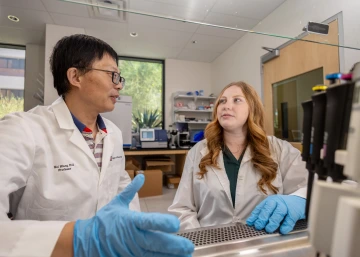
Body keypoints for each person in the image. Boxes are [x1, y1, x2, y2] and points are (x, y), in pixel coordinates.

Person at [0, 34, 194, 257]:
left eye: (119, 77)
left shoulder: (112, 133)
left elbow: (122, 188)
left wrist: (130, 231)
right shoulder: (22, 130)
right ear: (75, 76)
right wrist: (77, 240)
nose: (119, 85)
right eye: (112, 75)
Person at [169, 81, 307, 234]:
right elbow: (182, 208)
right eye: (222, 101)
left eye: (237, 100)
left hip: (264, 243)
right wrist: (199, 243)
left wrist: (300, 200)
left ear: (252, 108)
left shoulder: (279, 149)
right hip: (211, 245)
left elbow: (310, 188)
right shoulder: (199, 151)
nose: (226, 106)